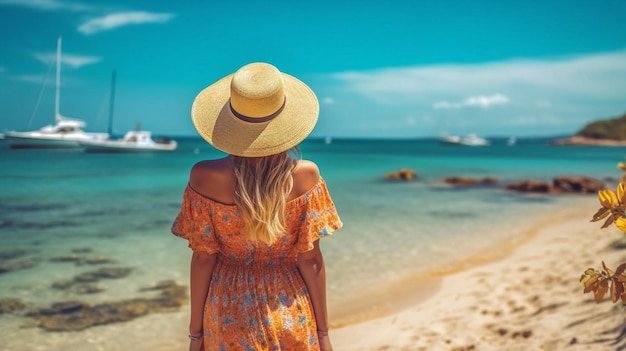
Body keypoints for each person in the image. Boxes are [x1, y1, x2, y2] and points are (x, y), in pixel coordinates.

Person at [171, 62, 343, 351]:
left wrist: (196, 334)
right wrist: (323, 332)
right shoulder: (306, 176)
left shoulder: (203, 176)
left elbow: (203, 259)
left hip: (226, 311)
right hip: (289, 306)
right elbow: (310, 261)